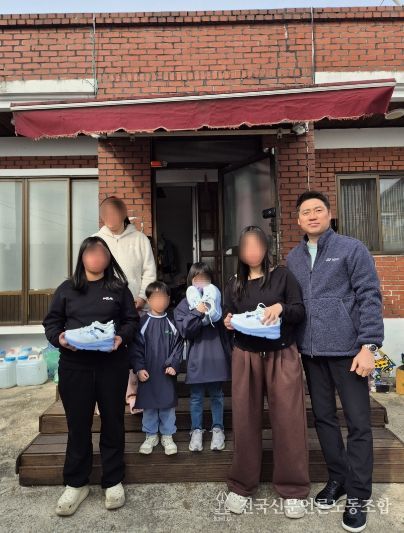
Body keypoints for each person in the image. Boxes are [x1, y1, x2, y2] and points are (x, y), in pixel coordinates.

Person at [286, 190, 384, 533]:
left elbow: (369, 295)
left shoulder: (351, 249)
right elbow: (292, 304)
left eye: (318, 210)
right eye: (306, 212)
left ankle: (358, 495)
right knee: (324, 419)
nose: (312, 216)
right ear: (298, 220)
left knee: (358, 424)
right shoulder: (294, 258)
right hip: (311, 353)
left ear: (329, 214)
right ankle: (338, 478)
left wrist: (369, 346)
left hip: (348, 352)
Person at [43, 236, 138, 516]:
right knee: (78, 424)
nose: (96, 257)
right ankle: (76, 482)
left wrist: (121, 338)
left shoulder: (118, 288)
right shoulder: (67, 289)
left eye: (102, 253)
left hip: (111, 366)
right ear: (82, 257)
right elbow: (51, 323)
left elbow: (132, 320)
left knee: (113, 421)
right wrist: (60, 338)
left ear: (108, 259)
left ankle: (113, 480)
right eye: (91, 253)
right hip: (75, 367)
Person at [223, 225, 310, 519]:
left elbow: (299, 311)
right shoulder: (234, 283)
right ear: (240, 251)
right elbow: (227, 316)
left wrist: (281, 308)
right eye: (247, 246)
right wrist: (228, 322)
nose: (253, 252)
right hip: (245, 356)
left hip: (282, 355)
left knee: (288, 420)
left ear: (266, 248)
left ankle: (293, 488)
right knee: (245, 420)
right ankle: (241, 484)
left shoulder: (282, 276)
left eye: (257, 245)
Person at [94, 196, 156, 414]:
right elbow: (91, 273)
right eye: (106, 215)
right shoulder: (96, 240)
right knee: (106, 351)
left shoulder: (140, 239)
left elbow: (149, 271)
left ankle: (133, 395)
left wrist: (142, 297)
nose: (110, 218)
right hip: (105, 307)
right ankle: (104, 398)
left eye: (114, 213)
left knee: (135, 349)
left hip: (137, 305)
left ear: (123, 214)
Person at [174, 262, 231, 453]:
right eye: (196, 278)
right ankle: (196, 430)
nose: (200, 282)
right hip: (196, 358)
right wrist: (198, 311)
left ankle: (218, 429)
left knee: (217, 395)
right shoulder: (184, 304)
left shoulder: (218, 299)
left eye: (205, 278)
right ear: (190, 280)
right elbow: (185, 331)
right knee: (196, 397)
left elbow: (226, 326)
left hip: (216, 355)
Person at [130, 281, 183, 456]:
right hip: (148, 372)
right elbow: (136, 348)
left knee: (168, 404)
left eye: (163, 297)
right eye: (155, 297)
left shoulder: (172, 322)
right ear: (148, 300)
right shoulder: (142, 323)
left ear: (168, 299)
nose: (160, 301)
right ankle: (150, 435)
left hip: (166, 373)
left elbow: (178, 346)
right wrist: (139, 368)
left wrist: (174, 364)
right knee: (149, 405)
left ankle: (167, 435)